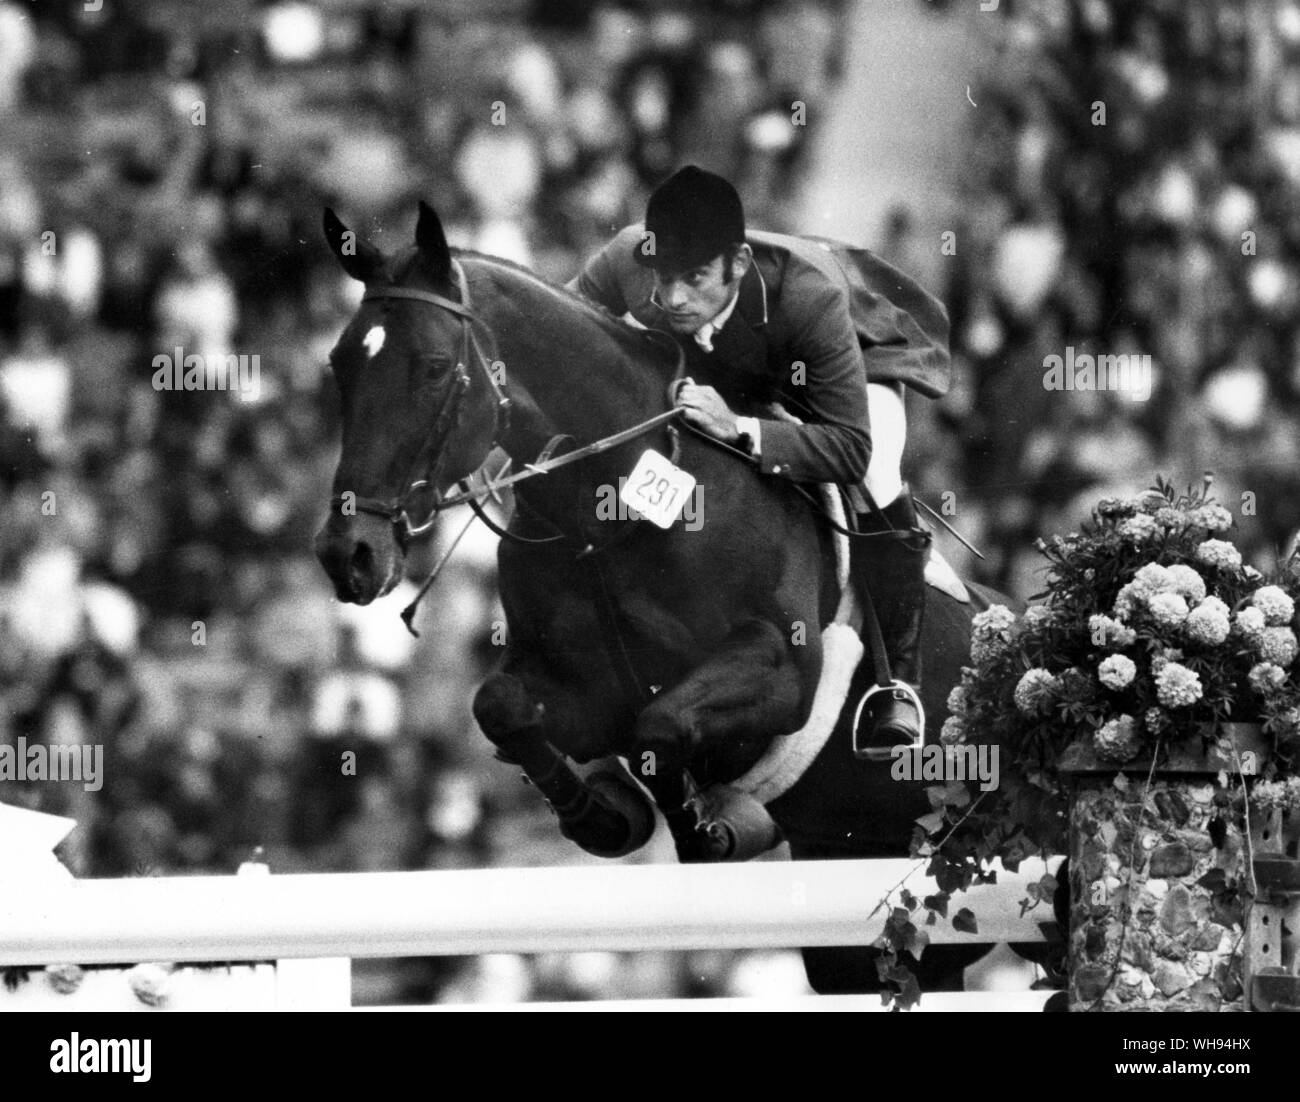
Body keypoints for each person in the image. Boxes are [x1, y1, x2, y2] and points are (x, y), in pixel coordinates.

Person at [568, 165, 951, 750]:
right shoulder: (627, 258)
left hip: (855, 368)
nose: (672, 298)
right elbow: (558, 331)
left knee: (874, 476)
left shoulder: (807, 300)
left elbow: (848, 446)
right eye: (663, 276)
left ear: (738, 265)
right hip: (730, 369)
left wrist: (742, 428)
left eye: (694, 278)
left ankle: (899, 684)